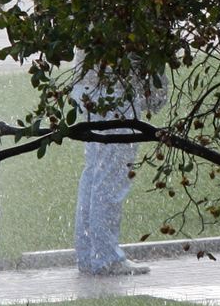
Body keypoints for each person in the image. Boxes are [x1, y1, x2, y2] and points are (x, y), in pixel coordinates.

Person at [71, 63, 166, 276]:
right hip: (116, 96)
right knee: (110, 179)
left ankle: (89, 256)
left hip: (90, 92)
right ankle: (106, 258)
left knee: (94, 173)